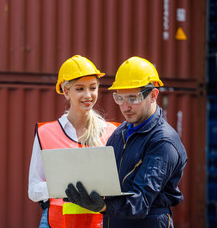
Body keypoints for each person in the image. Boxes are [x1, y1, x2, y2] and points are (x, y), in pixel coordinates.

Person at [65, 56, 188, 228]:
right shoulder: (121, 132)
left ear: (153, 95)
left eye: (132, 98)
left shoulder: (163, 142)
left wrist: (103, 206)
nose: (125, 107)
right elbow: (105, 179)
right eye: (119, 98)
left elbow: (141, 200)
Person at [28, 55, 119, 228]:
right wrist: (63, 185)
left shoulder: (112, 132)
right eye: (80, 89)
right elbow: (33, 189)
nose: (88, 95)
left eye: (93, 88)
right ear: (66, 91)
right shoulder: (45, 132)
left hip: (100, 223)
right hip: (56, 223)